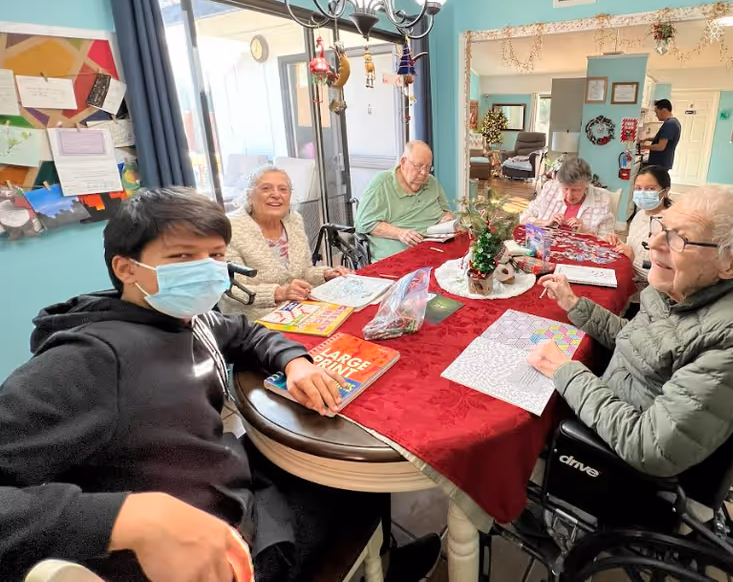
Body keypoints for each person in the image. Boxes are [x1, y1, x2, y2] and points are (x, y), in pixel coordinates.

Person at [0, 188, 440, 582]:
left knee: (345, 468)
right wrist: (126, 517)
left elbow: (247, 333)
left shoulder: (189, 317)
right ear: (125, 268)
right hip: (217, 550)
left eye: (215, 255)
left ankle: (385, 555)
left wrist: (296, 362)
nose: (206, 270)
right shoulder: (89, 359)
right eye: (182, 257)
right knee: (356, 484)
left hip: (231, 481)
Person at [528, 186, 733, 477]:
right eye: (662, 228)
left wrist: (565, 371)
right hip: (617, 396)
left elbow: (650, 447)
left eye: (679, 239)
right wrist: (575, 305)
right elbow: (645, 343)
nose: (653, 243)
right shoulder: (685, 286)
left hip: (622, 457)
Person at [221, 164, 350, 320]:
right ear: (249, 195)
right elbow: (229, 289)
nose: (276, 195)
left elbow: (304, 271)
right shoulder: (229, 228)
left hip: (299, 311)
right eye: (266, 188)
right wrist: (279, 293)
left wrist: (326, 274)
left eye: (283, 189)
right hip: (254, 322)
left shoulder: (294, 220)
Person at [356, 141, 454, 261]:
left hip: (435, 249)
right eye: (418, 166)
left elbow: (446, 211)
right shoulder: (381, 183)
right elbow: (363, 224)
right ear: (403, 162)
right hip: (400, 257)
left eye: (428, 167)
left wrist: (447, 218)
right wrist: (399, 233)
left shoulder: (432, 182)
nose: (424, 173)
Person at [605, 165, 673, 283]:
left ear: (666, 191)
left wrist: (633, 259)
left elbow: (666, 275)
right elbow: (634, 247)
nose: (642, 193)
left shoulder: (669, 224)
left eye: (650, 189)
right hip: (628, 276)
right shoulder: (640, 215)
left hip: (649, 287)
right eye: (638, 188)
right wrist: (618, 244)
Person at [519, 157, 615, 237]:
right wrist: (545, 223)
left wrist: (584, 232)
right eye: (565, 189)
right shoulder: (550, 189)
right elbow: (523, 219)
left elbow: (607, 242)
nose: (569, 196)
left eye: (575, 190)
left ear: (586, 185)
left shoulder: (601, 200)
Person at [640, 99, 682, 170]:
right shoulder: (674, 122)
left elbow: (661, 146)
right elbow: (663, 138)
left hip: (659, 163)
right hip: (663, 162)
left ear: (663, 110)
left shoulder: (670, 124)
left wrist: (644, 147)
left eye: (656, 112)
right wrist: (647, 139)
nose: (656, 115)